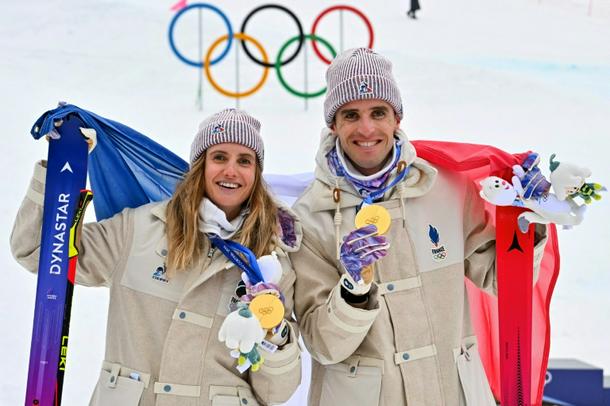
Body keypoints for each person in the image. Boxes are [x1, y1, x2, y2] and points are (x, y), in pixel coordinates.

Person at [289, 48, 548, 405]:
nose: (366, 129)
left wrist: (526, 219)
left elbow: (504, 283)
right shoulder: (310, 216)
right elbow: (323, 346)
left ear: (397, 118)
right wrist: (353, 291)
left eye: (378, 112)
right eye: (351, 115)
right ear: (333, 124)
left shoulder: (447, 188)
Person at [11, 108, 302, 405]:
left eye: (244, 161)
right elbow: (35, 251)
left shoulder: (268, 262)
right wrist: (61, 169)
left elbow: (275, 392)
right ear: (200, 166)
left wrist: (272, 332)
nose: (231, 170)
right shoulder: (137, 230)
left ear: (256, 174)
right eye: (219, 157)